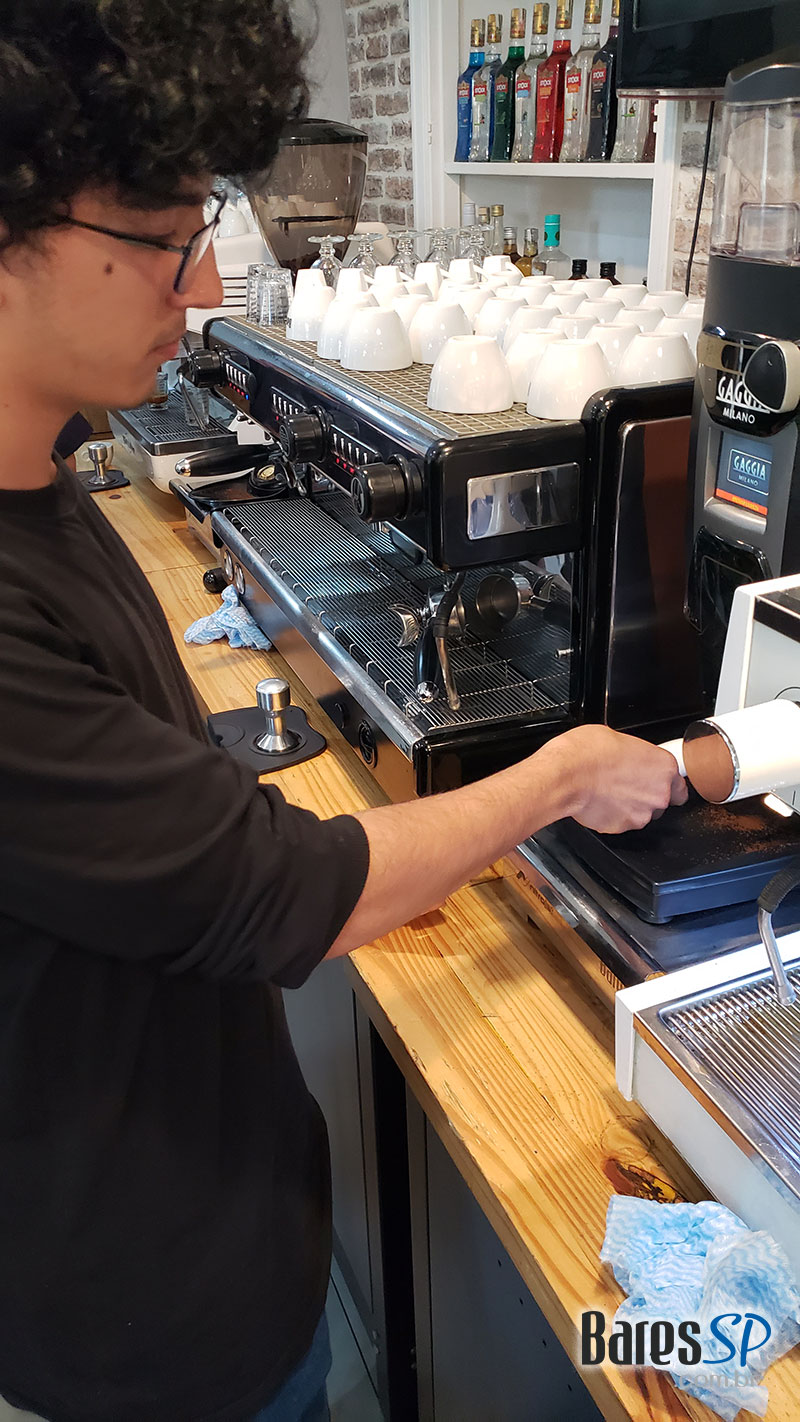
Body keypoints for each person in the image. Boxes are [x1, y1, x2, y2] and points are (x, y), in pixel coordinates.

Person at [0, 3, 687, 1419]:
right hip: (146, 1322)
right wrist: (558, 775)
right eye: (168, 239)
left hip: (207, 1214)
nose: (204, 287)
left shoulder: (42, 480)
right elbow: (272, 896)